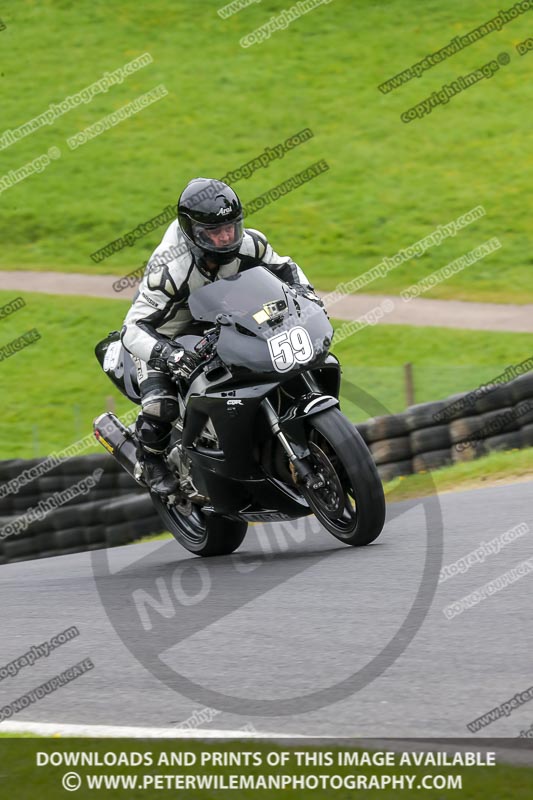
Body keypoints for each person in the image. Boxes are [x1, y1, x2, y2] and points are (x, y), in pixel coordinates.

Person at [121, 177, 319, 496]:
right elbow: (133, 327)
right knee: (162, 406)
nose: (226, 237)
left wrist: (305, 294)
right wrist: (168, 355)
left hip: (216, 322)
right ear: (191, 231)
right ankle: (149, 458)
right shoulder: (170, 269)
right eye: (214, 232)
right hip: (164, 337)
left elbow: (286, 269)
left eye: (231, 227)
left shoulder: (250, 242)